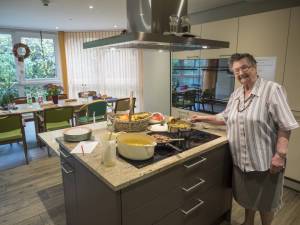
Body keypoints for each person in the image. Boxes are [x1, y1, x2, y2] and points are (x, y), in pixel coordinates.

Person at [191, 53, 299, 225]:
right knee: (250, 198)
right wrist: (201, 118)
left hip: (265, 163)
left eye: (244, 67)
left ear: (254, 67)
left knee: (265, 203)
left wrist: (280, 155)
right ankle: (248, 222)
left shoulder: (272, 90)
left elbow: (285, 125)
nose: (240, 73)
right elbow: (225, 117)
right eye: (236, 70)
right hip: (241, 162)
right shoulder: (236, 95)